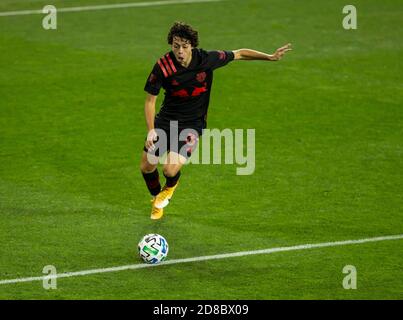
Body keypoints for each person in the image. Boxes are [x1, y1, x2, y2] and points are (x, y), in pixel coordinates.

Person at [140, 21, 291, 220]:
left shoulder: (207, 59)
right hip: (166, 121)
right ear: (171, 45)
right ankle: (157, 198)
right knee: (147, 166)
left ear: (192, 45)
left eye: (184, 46)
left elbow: (239, 53)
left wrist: (270, 57)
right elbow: (150, 100)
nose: (180, 51)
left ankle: (168, 190)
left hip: (192, 125)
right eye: (176, 46)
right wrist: (151, 130)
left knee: (169, 169)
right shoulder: (163, 67)